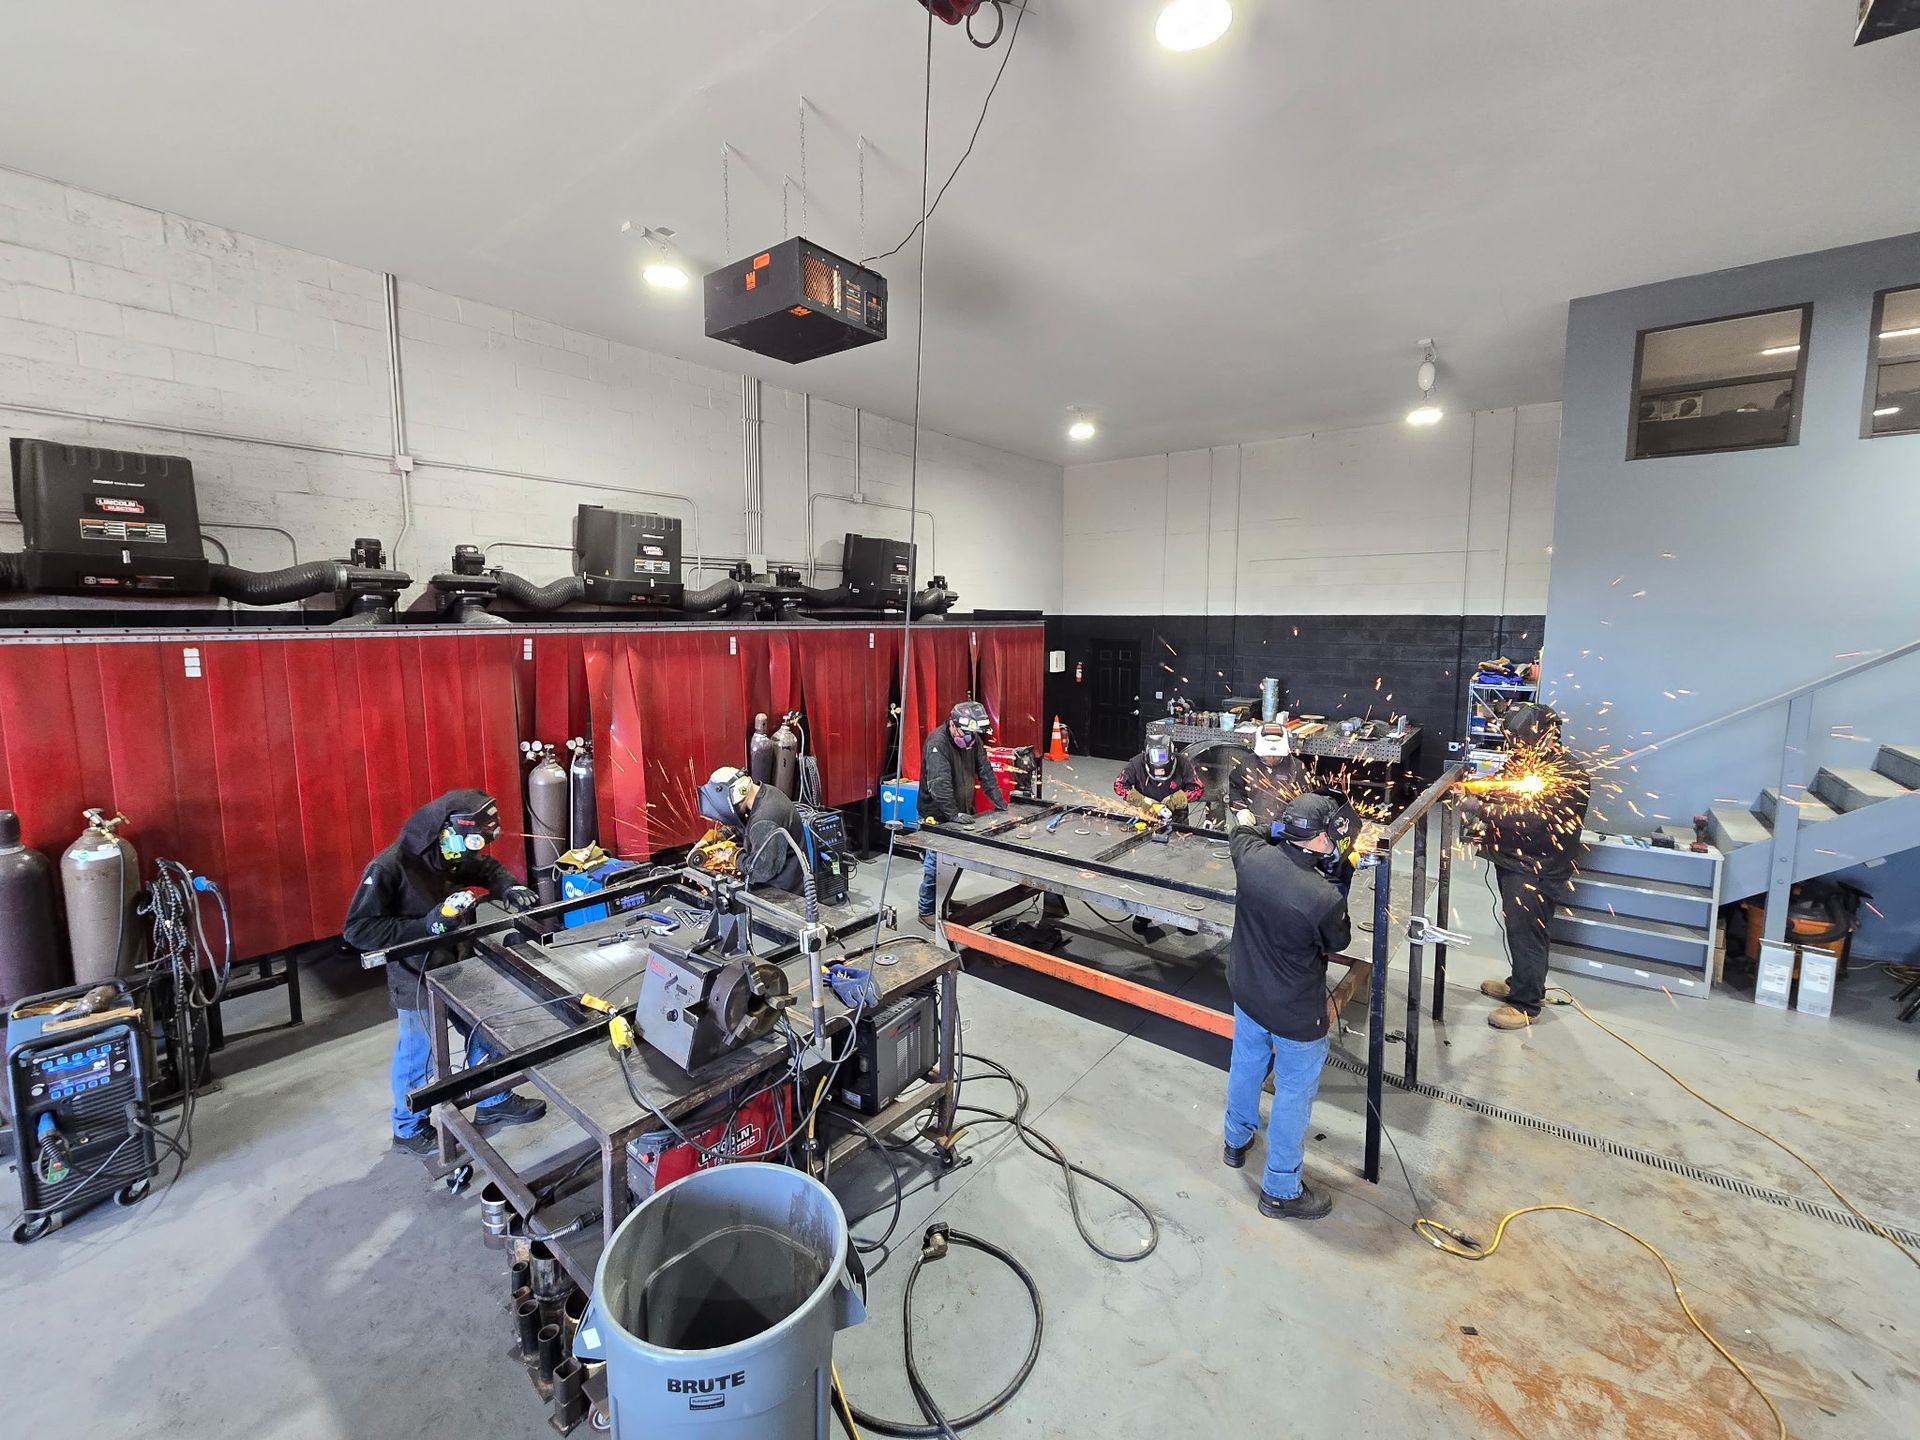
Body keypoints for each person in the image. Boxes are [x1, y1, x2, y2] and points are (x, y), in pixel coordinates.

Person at [343, 789, 548, 1158]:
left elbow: (484, 868)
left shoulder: (446, 855)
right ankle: (407, 1127)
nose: (465, 856)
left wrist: (509, 887)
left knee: (482, 1028)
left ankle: (493, 1099)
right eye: (465, 845)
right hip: (415, 973)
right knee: (418, 1052)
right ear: (442, 830)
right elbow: (359, 931)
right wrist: (426, 926)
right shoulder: (389, 867)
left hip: (458, 962)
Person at [1221, 793, 1361, 1220]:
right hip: (1294, 1012)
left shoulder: (1249, 857)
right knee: (1293, 1095)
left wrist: (1274, 827)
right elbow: (1339, 942)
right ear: (1319, 841)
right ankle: (1280, 1188)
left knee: (1246, 1064)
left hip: (1247, 990)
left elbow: (1245, 828)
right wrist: (1342, 872)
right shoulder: (1323, 898)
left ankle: (1235, 1139)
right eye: (1330, 837)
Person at [1457, 703, 1592, 1032]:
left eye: (1521, 741)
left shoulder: (1567, 774)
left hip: (1537, 868)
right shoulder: (1530, 762)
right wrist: (1481, 787)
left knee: (1527, 933)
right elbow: (1508, 788)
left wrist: (1481, 809)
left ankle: (1525, 1003)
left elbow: (1532, 820)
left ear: (1545, 737)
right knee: (1520, 929)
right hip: (1517, 860)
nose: (1517, 748)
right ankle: (1522, 983)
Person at [916, 700, 1007, 929]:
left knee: (955, 861)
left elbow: (984, 769)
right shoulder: (938, 743)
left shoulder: (972, 740)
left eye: (972, 734)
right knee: (935, 863)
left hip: (959, 809)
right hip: (937, 813)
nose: (969, 738)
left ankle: (944, 900)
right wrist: (953, 814)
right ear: (953, 725)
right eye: (965, 732)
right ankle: (926, 909)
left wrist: (998, 799)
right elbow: (939, 785)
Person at [697, 765, 809, 894]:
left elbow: (760, 871)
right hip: (787, 880)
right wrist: (721, 835)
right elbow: (745, 824)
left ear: (737, 793)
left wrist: (733, 855)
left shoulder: (764, 820)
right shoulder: (765, 793)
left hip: (781, 896)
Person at [1229, 723, 1308, 831]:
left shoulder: (1297, 767)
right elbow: (1234, 790)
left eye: (1276, 756)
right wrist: (1240, 810)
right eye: (1267, 755)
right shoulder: (1246, 764)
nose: (1271, 758)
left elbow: (1305, 802)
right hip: (1254, 825)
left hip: (1285, 827)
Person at [1114, 739, 1204, 821]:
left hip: (1177, 817)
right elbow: (1119, 785)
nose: (1159, 772)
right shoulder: (1136, 763)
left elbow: (1198, 789)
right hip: (1145, 816)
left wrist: (1176, 800)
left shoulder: (1183, 763)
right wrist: (1141, 801)